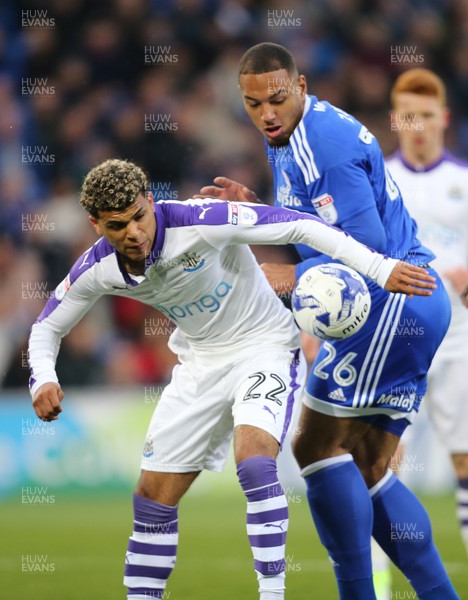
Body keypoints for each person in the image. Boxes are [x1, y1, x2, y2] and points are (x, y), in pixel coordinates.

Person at [27, 159, 432, 600]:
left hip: (263, 345)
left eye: (139, 216)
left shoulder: (201, 220)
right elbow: (47, 328)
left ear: (149, 200)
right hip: (199, 364)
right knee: (151, 499)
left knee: (254, 461)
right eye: (117, 225)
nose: (133, 233)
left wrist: (378, 268)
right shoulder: (96, 268)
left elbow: (298, 226)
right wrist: (42, 379)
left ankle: (271, 595)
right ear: (96, 224)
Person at [198, 43, 459, 599]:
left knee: (316, 449)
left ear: (301, 84)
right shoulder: (289, 134)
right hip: (400, 305)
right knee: (368, 464)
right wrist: (265, 215)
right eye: (252, 103)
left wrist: (288, 276)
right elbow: (315, 225)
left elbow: (367, 251)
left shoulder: (323, 144)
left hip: (392, 302)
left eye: (276, 98)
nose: (265, 113)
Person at [387, 68, 468, 558]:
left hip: (459, 336)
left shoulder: (464, 182)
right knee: (384, 459)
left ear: (445, 118)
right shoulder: (381, 180)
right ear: (396, 121)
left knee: (465, 456)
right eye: (409, 117)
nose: (419, 126)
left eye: (427, 116)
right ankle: (380, 579)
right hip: (398, 338)